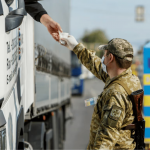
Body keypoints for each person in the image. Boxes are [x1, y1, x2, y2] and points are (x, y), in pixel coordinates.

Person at [60, 36, 142, 150]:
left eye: (105, 54)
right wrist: (75, 46)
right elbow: (96, 66)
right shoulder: (129, 80)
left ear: (111, 58)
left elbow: (106, 137)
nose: (103, 57)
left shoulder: (116, 92)